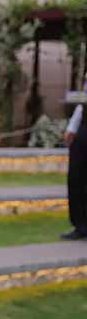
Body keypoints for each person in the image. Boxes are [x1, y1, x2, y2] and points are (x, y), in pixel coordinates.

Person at [62, 76, 87, 240]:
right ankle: (80, 225)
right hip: (84, 131)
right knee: (76, 179)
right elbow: (82, 103)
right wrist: (71, 128)